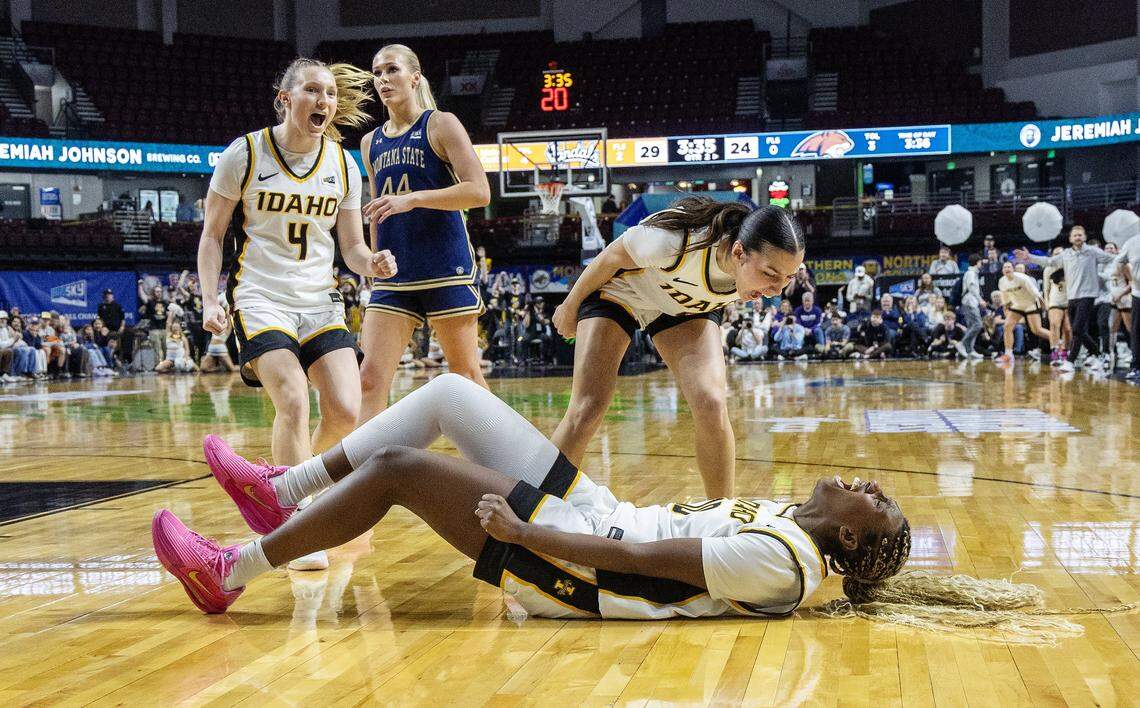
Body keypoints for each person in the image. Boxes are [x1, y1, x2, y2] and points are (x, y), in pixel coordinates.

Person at [153, 374, 909, 620]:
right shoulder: (792, 518)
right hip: (594, 511)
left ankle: (229, 573)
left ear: (848, 541)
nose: (871, 487)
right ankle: (282, 491)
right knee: (450, 392)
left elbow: (641, 557)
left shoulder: (782, 565)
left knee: (395, 469)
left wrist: (524, 533)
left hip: (578, 567)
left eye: (877, 504)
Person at [197, 57, 396, 569]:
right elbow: (213, 235)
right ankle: (292, 521)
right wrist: (208, 298)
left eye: (329, 93)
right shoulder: (244, 152)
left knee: (347, 410)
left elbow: (350, 246)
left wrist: (369, 261)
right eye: (312, 90)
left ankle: (287, 482)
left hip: (320, 298)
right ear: (285, 98)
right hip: (260, 295)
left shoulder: (344, 165)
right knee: (291, 397)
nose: (324, 101)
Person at [550, 199, 804, 497]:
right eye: (771, 275)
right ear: (738, 253)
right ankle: (538, 505)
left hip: (682, 308)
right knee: (587, 408)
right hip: (622, 291)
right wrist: (569, 306)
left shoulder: (763, 264)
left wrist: (777, 277)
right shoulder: (674, 242)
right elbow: (610, 258)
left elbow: (774, 276)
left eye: (789, 278)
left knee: (710, 402)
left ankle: (720, 514)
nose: (777, 290)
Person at [358, 43, 492, 424]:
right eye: (377, 72)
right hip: (394, 272)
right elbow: (375, 207)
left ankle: (508, 475)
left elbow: (479, 191)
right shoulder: (371, 142)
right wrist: (371, 259)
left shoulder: (440, 124)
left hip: (444, 264)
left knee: (466, 376)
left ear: (415, 76)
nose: (383, 79)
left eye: (392, 70)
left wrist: (413, 199)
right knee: (369, 380)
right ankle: (366, 479)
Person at [1016, 226, 1116, 373]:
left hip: (1088, 295)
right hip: (1072, 296)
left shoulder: (1093, 252)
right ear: (1070, 238)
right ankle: (1099, 354)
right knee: (1080, 330)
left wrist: (1129, 256)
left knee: (1075, 329)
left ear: (1084, 237)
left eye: (1080, 235)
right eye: (1075, 235)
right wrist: (1030, 257)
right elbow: (1048, 261)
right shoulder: (1066, 254)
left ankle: (1070, 361)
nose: (1077, 237)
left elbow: (1113, 258)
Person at [1112, 235, 1140, 379]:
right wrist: (1131, 276)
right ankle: (1136, 367)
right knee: (1135, 331)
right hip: (1138, 293)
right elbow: (1119, 261)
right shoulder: (1132, 242)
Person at [1040, 246, 1070, 365]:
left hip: (1069, 300)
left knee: (1068, 328)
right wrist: (1047, 303)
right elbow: (1046, 288)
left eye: (1060, 254)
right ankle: (1055, 351)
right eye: (1056, 253)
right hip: (1055, 301)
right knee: (1054, 325)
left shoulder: (1071, 266)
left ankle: (1065, 351)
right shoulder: (1048, 268)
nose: (1058, 256)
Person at [956, 254, 984, 359]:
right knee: (978, 325)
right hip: (970, 302)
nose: (981, 264)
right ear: (977, 262)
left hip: (970, 302)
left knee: (971, 327)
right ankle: (962, 344)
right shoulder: (971, 273)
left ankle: (970, 350)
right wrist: (980, 300)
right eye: (980, 262)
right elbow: (972, 288)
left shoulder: (972, 273)